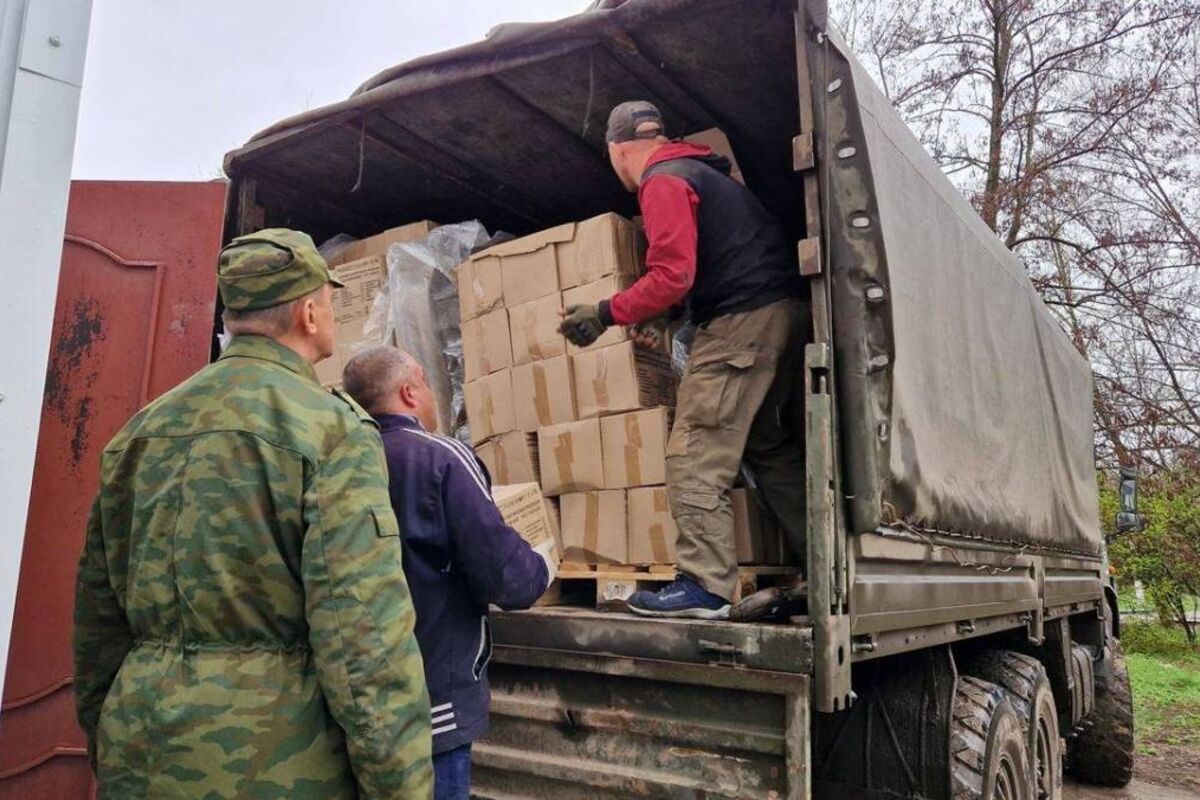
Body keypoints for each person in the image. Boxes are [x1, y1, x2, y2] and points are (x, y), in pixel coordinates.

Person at [73, 229, 432, 799]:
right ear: (310, 314)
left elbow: (97, 621)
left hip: (138, 751)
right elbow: (362, 638)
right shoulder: (332, 432)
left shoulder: (141, 431)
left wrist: (111, 737)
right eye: (330, 302)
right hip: (276, 763)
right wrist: (401, 788)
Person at [560, 101, 809, 620]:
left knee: (694, 451)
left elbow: (672, 272)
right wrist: (667, 320)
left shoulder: (663, 181)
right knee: (768, 447)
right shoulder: (702, 172)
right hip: (782, 316)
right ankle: (824, 565)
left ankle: (705, 586)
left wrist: (606, 313)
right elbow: (703, 269)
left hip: (742, 322)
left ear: (617, 149)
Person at [342, 345, 557, 800]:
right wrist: (543, 561)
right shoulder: (439, 458)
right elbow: (508, 579)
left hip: (357, 699)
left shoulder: (341, 462)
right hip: (434, 696)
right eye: (425, 383)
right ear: (409, 390)